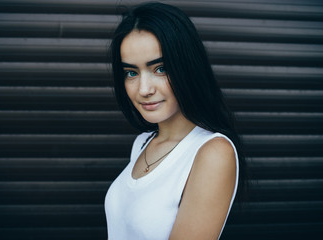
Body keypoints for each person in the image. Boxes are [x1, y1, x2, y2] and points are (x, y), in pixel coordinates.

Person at [105, 2, 246, 239]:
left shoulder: (213, 152)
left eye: (160, 68)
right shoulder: (142, 143)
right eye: (131, 72)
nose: (144, 89)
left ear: (187, 67)